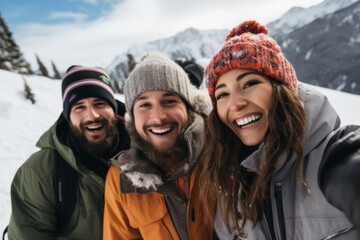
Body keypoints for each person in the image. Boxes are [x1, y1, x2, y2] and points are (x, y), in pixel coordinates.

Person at [199, 20, 360, 239]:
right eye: (222, 94)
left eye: (249, 84)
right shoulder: (227, 191)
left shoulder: (331, 158)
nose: (235, 104)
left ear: (282, 91)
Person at [7, 66, 130, 240]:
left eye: (99, 103)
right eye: (79, 107)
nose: (92, 115)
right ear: (68, 115)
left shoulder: (148, 150)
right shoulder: (39, 173)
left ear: (114, 109)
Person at [103, 52, 214, 239]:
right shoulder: (122, 180)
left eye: (169, 101)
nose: (158, 117)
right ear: (133, 117)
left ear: (187, 107)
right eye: (145, 105)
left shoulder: (219, 150)